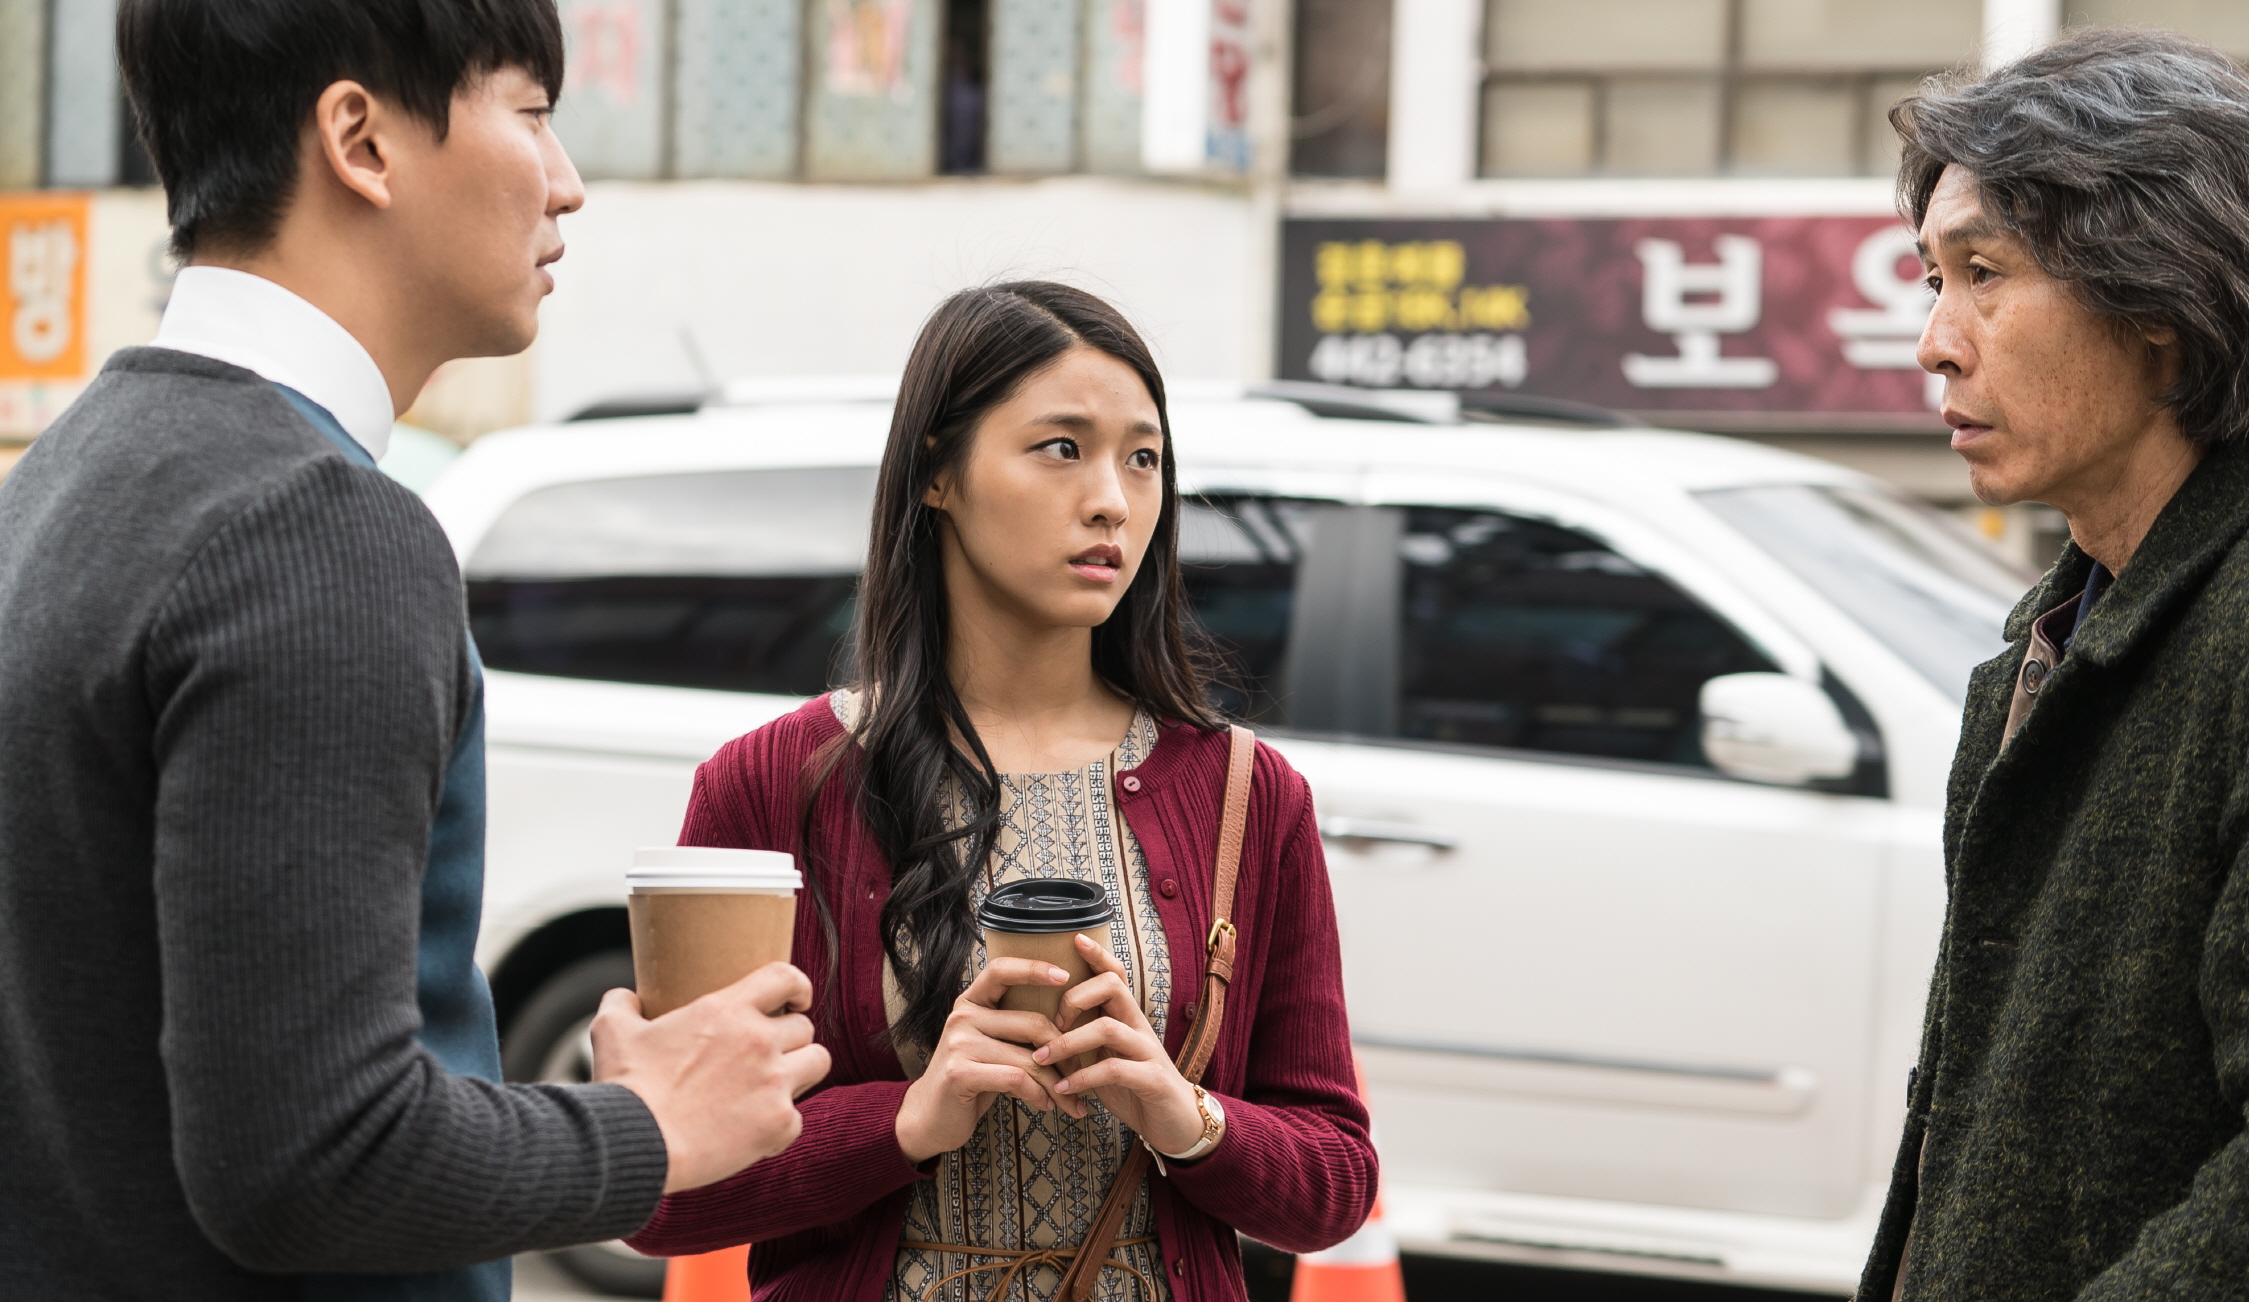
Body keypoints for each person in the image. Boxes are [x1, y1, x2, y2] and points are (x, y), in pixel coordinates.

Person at [0, 3, 831, 1299]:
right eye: (534, 113)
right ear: (361, 141)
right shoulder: (316, 527)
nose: (567, 185)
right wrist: (652, 1126)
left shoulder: (62, 480)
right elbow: (314, 1157)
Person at [622, 282, 1377, 1301]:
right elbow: (661, 1195)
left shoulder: (1249, 792)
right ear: (937, 472)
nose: (1112, 497)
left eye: (1142, 457)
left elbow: (1333, 1182)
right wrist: (906, 1120)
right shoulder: (773, 784)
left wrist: (1184, 1114)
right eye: (1061, 447)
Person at [1863, 29, 2249, 1302]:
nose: (1936, 343)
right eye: (1930, 279)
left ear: (2161, 307)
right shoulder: (2040, 651)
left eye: (1983, 274)